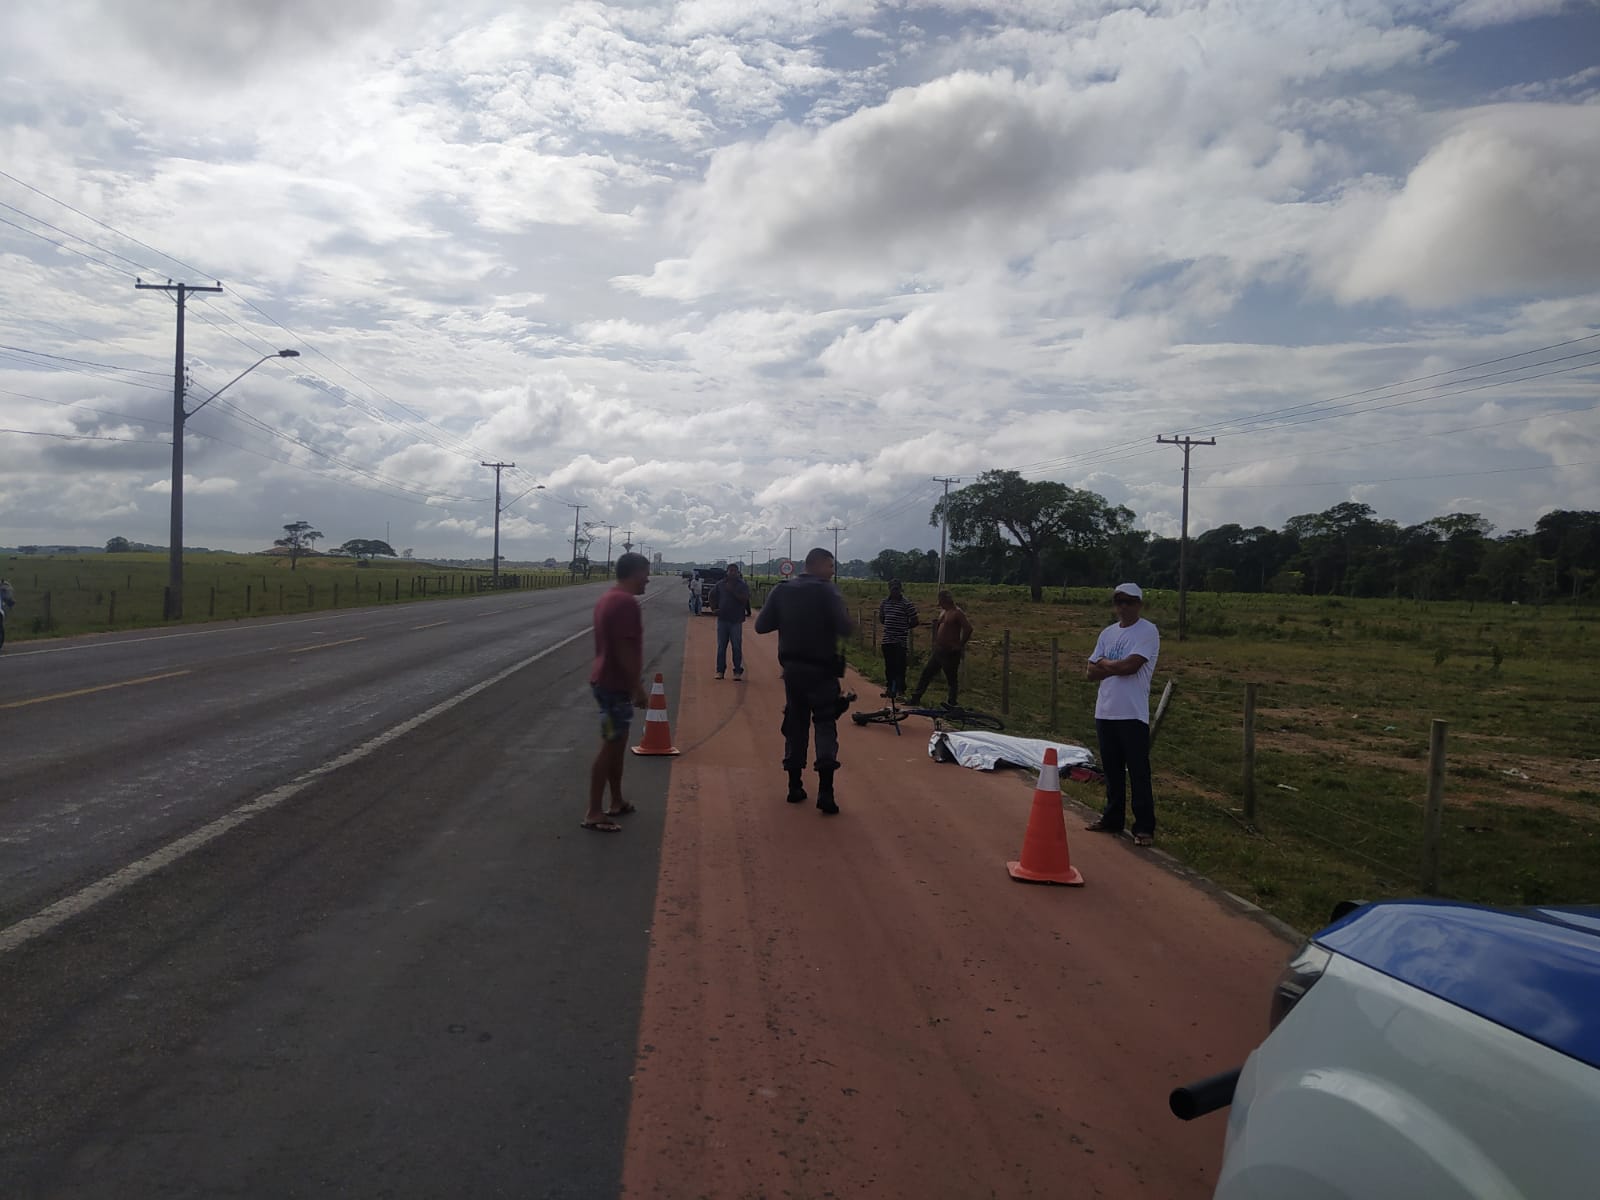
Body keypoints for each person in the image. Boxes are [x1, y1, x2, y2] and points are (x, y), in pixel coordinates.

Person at [753, 547, 854, 814]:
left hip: (793, 671)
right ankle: (826, 791)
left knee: (795, 724)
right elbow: (846, 627)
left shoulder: (782, 590)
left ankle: (794, 786)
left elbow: (761, 626)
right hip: (823, 672)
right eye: (831, 566)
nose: (832, 571)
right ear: (818, 565)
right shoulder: (827, 591)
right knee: (824, 724)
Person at [1083, 582, 1161, 847]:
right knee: (1112, 771)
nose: (1123, 607)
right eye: (1119, 601)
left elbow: (1131, 666)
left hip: (1132, 713)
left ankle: (1144, 827)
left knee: (1138, 772)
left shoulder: (1147, 631)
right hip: (1105, 711)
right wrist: (1107, 666)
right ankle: (1113, 817)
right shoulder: (1108, 633)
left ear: (1139, 604)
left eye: (1129, 601)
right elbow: (1089, 672)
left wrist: (1105, 663)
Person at [584, 552, 651, 833]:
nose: (648, 579)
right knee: (610, 745)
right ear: (635, 573)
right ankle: (594, 811)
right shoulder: (625, 603)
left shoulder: (609, 598)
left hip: (606, 681)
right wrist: (636, 687)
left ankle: (617, 800)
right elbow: (624, 650)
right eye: (646, 573)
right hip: (614, 685)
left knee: (618, 743)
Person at [907, 589, 972, 708]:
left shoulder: (957, 613)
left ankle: (952, 703)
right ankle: (916, 697)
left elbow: (968, 628)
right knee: (927, 673)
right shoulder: (943, 612)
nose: (939, 603)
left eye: (940, 601)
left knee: (951, 679)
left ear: (945, 600)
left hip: (950, 651)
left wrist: (960, 644)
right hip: (939, 650)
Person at [876, 579, 919, 698]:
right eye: (893, 589)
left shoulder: (907, 604)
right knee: (889, 667)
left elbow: (915, 621)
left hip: (900, 641)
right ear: (889, 589)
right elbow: (882, 618)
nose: (895, 591)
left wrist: (904, 627)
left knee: (900, 667)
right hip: (887, 640)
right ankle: (890, 689)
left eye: (897, 589)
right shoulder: (884, 603)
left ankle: (900, 690)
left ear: (900, 590)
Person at [710, 562, 751, 680]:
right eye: (730, 570)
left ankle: (737, 671)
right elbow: (711, 595)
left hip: (736, 621)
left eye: (735, 571)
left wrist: (733, 591)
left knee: (736, 647)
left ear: (738, 573)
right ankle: (720, 671)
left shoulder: (742, 585)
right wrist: (714, 608)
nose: (732, 573)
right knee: (721, 647)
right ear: (727, 572)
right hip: (722, 620)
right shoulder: (720, 584)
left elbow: (745, 599)